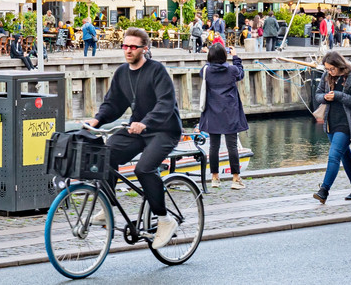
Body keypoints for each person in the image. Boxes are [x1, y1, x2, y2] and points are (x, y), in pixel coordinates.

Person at [84, 28, 182, 251]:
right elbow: (114, 103)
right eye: (125, 46)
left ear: (144, 49)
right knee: (106, 153)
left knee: (144, 168)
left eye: (133, 47)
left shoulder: (157, 70)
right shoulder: (121, 73)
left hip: (164, 130)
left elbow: (165, 104)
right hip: (138, 129)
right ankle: (107, 208)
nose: (128, 50)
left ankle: (165, 220)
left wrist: (146, 122)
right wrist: (97, 120)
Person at [311, 50, 351, 202]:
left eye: (332, 69)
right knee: (345, 156)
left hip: (347, 123)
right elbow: (317, 95)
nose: (330, 72)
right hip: (331, 122)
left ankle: (324, 190)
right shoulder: (327, 76)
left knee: (334, 155)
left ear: (339, 65)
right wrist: (324, 97)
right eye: (327, 69)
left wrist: (337, 95)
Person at [199, 44, 247, 190]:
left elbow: (205, 71)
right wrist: (236, 57)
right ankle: (235, 178)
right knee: (232, 146)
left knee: (214, 146)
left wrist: (210, 57)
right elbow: (241, 73)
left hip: (212, 111)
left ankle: (214, 177)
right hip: (230, 111)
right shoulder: (231, 70)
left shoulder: (206, 70)